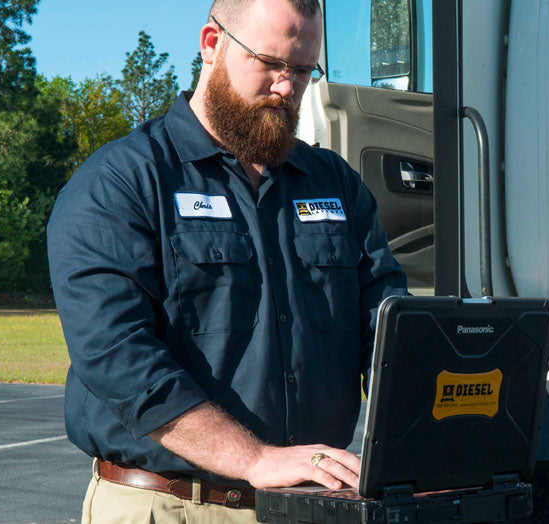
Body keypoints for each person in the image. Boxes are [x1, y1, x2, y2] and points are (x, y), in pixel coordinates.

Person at [47, 0, 407, 522]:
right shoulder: (122, 182)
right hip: (170, 505)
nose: (288, 88)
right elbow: (117, 356)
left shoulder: (335, 184)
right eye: (271, 64)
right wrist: (254, 459)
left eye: (304, 71)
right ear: (212, 45)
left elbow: (388, 330)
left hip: (310, 502)